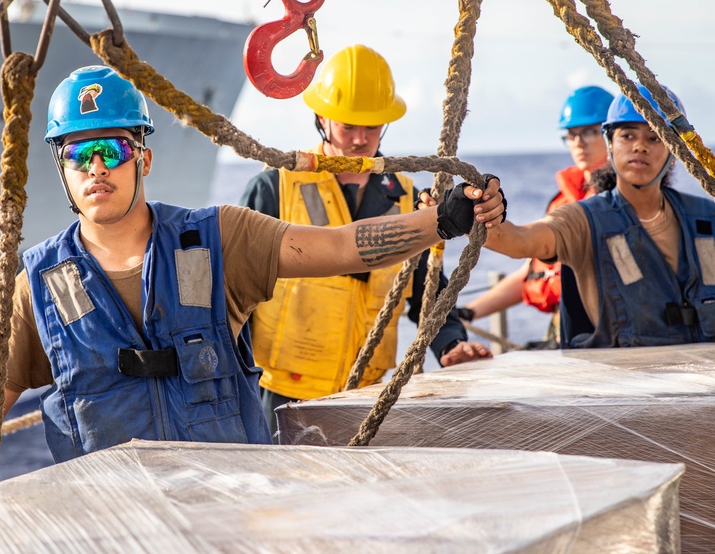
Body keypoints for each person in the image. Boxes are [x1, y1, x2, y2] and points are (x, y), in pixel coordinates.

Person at [0, 65, 505, 498]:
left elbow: (338, 246)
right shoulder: (38, 284)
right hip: (110, 523)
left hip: (233, 514)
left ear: (144, 158)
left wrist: (445, 218)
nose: (96, 169)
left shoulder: (217, 240)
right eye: (77, 154)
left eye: (111, 150)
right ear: (62, 170)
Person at [237, 45, 491, 429]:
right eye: (347, 126)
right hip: (279, 393)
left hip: (368, 394)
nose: (359, 139)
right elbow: (236, 289)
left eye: (370, 126)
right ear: (322, 119)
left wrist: (450, 343)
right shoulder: (275, 186)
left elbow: (427, 286)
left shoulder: (406, 196)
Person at [481, 83, 715, 349]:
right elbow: (518, 240)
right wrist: (476, 211)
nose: (640, 146)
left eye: (655, 137)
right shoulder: (581, 219)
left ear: (674, 153)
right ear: (610, 145)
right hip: (622, 383)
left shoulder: (707, 217)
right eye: (627, 136)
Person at [456, 86, 614, 348]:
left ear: (612, 134)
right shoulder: (563, 201)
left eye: (588, 132)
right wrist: (468, 313)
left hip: (603, 339)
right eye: (571, 134)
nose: (578, 142)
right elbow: (533, 269)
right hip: (563, 333)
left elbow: (520, 240)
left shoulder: (621, 202)